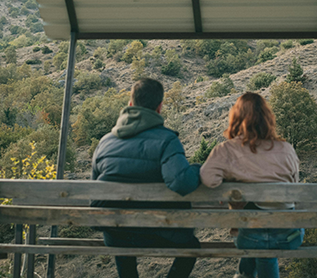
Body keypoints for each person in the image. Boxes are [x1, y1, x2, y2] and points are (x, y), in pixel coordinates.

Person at [91, 78, 202, 278]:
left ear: (131, 104)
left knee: (119, 232)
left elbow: (95, 191)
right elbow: (181, 183)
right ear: (159, 107)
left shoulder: (105, 142)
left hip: (116, 234)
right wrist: (197, 170)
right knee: (191, 246)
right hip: (158, 231)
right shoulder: (168, 140)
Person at [200, 92, 304, 278]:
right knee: (262, 234)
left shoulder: (227, 150)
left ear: (236, 118)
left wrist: (232, 180)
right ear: (267, 118)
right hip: (290, 235)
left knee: (260, 241)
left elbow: (208, 179)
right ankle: (245, 274)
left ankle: (245, 275)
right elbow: (294, 188)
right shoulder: (287, 149)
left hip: (251, 236)